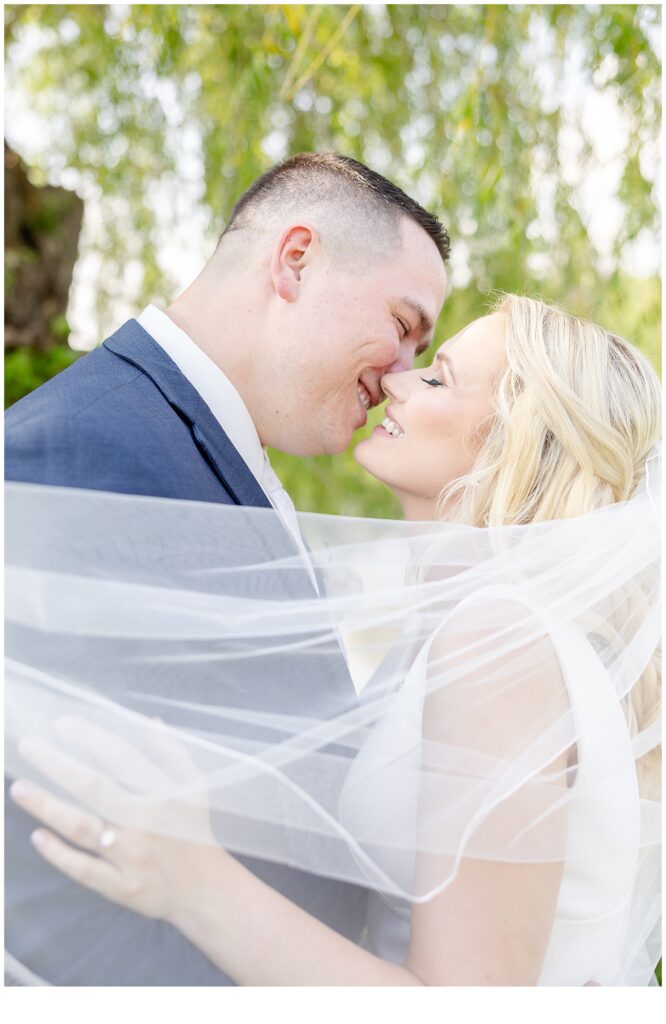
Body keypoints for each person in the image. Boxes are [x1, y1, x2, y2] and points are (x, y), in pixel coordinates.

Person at [7, 295, 661, 985]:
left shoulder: (498, 636)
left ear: (515, 440)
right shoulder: (481, 629)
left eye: (437, 378)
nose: (396, 383)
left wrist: (194, 878)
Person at [3, 152, 449, 985]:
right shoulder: (79, 450)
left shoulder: (215, 447)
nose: (398, 377)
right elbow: (32, 857)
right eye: (403, 323)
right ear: (295, 260)